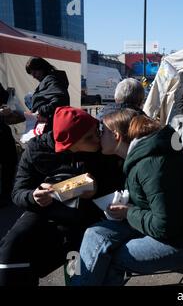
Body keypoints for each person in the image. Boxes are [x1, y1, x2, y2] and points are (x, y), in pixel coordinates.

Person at [72, 110, 183, 286]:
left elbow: (165, 226)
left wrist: (128, 212)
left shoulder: (150, 164)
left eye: (102, 131)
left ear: (116, 136)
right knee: (94, 233)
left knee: (112, 258)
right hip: (177, 230)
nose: (98, 137)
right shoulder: (143, 155)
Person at [0, 107, 124, 286]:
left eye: (96, 132)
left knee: (76, 254)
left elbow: (118, 183)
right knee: (12, 244)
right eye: (89, 137)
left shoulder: (101, 150)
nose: (97, 138)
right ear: (70, 145)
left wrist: (97, 188)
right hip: (45, 211)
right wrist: (33, 196)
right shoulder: (36, 150)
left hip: (85, 215)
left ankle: (75, 281)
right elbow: (18, 192)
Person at [25, 57, 70, 132]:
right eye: (31, 74)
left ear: (42, 68)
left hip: (51, 128)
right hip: (50, 127)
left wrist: (39, 111)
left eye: (34, 72)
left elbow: (60, 101)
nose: (33, 76)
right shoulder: (49, 80)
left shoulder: (51, 80)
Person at [0, 84, 24, 208]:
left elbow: (6, 101)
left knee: (10, 162)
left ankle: (6, 194)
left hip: (3, 132)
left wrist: (10, 97)